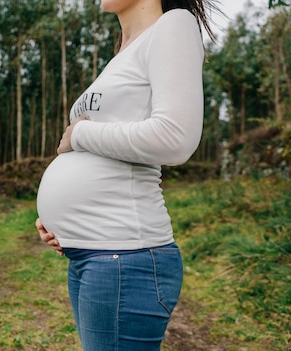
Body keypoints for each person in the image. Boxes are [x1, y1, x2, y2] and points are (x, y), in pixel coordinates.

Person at [35, 0, 219, 350]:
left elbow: (175, 138)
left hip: (125, 259)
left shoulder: (174, 24)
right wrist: (70, 226)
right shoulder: (122, 54)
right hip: (96, 256)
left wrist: (78, 135)